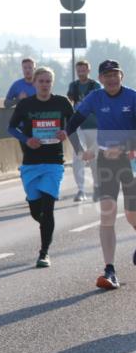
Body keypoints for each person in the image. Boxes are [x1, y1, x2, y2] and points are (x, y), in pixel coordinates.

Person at [66, 59, 136, 290]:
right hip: (106, 160)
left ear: (121, 76)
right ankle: (110, 270)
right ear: (101, 79)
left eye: (115, 74)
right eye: (107, 75)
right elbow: (71, 125)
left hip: (131, 161)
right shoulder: (95, 97)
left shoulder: (132, 97)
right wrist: (80, 151)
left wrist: (126, 147)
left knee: (131, 215)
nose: (112, 79)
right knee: (107, 214)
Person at [7, 67, 80, 268]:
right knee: (35, 212)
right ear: (35, 83)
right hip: (31, 163)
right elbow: (11, 127)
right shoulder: (25, 104)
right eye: (41, 81)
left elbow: (74, 123)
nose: (45, 85)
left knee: (48, 210)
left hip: (53, 162)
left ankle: (44, 253)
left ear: (52, 83)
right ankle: (44, 224)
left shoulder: (62, 102)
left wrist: (66, 131)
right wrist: (27, 139)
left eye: (48, 81)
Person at [66, 59, 102, 201]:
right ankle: (81, 190)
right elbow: (70, 101)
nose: (81, 72)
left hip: (94, 125)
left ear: (88, 70)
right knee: (78, 156)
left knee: (94, 159)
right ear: (76, 71)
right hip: (79, 126)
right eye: (79, 70)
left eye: (84, 69)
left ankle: (97, 187)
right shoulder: (73, 86)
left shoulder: (95, 85)